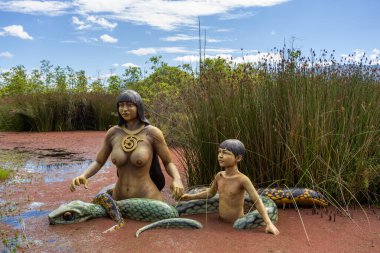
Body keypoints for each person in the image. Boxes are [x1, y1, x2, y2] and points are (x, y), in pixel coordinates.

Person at [70, 90, 184, 201]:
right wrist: (84, 175)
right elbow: (99, 162)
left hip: (148, 197)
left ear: (138, 107)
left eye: (129, 105)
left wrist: (177, 179)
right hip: (118, 199)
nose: (124, 109)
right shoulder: (113, 133)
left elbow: (168, 162)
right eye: (121, 105)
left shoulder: (152, 133)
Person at [180, 139, 279, 235]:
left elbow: (257, 201)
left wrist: (269, 223)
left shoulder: (243, 179)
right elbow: (210, 193)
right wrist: (190, 197)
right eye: (219, 152)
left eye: (226, 153)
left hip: (236, 226)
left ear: (238, 158)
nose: (220, 156)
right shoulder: (219, 176)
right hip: (219, 223)